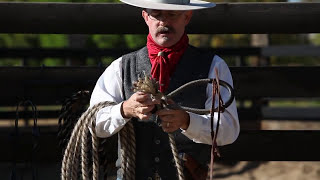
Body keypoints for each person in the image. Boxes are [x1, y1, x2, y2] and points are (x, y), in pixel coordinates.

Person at [90, 0, 240, 179]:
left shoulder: (213, 66)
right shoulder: (122, 67)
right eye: (157, 14)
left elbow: (228, 130)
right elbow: (94, 122)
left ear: (187, 16)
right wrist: (124, 110)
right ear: (146, 16)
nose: (164, 22)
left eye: (172, 14)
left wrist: (187, 121)